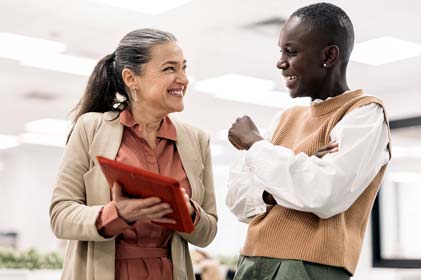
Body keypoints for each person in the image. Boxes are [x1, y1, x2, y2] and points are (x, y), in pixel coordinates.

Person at [225, 3, 391, 280]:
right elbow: (237, 199)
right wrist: (296, 171)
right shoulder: (285, 118)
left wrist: (255, 146)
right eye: (281, 51)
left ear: (328, 56)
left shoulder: (364, 114)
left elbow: (323, 193)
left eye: (291, 52)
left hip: (308, 266)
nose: (280, 62)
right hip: (252, 259)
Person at [49, 28, 217, 280]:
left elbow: (208, 231)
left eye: (183, 67)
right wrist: (117, 214)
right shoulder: (91, 128)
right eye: (170, 69)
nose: (183, 78)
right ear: (131, 78)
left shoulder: (196, 140)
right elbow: (60, 215)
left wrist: (187, 211)